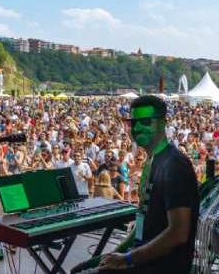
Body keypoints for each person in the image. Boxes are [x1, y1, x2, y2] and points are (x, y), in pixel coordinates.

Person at [72, 95, 199, 274]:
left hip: (160, 266)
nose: (137, 127)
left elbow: (178, 233)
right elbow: (142, 222)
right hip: (140, 259)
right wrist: (112, 255)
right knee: (80, 269)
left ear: (163, 123)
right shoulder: (151, 161)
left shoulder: (174, 165)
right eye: (133, 122)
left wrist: (128, 259)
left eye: (146, 121)